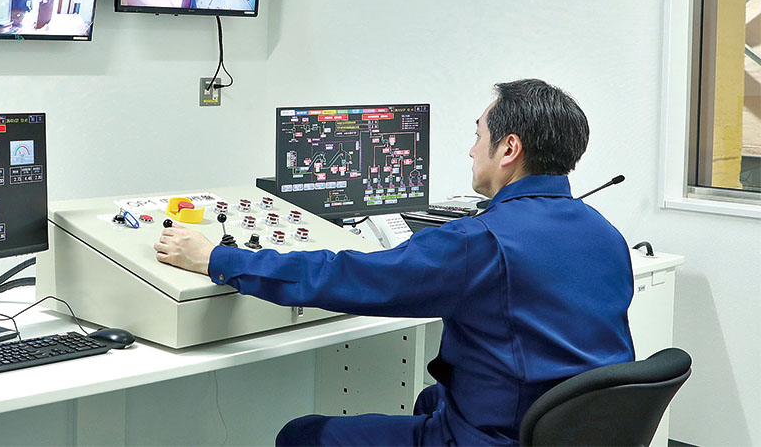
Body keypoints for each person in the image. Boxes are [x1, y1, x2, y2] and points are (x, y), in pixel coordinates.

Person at [154, 79, 635, 446]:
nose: (471, 150)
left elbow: (346, 277)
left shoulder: (479, 242)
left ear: (509, 149)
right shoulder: (605, 233)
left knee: (302, 435)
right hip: (566, 430)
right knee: (430, 397)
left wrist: (217, 257)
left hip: (494, 436)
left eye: (478, 136)